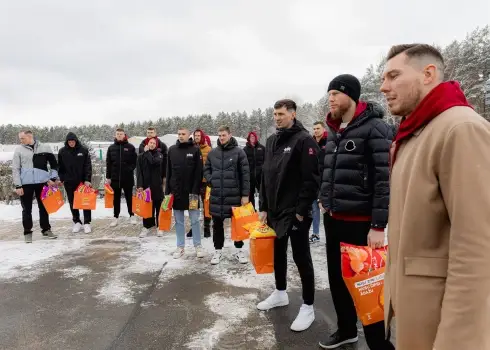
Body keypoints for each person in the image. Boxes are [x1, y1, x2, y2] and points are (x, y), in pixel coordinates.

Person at [381, 44, 490, 350]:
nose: (383, 86)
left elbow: (478, 250)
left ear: (428, 74)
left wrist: (459, 340)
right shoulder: (418, 132)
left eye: (393, 75)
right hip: (416, 311)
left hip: (442, 324)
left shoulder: (461, 129)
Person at [318, 74, 394, 350]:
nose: (331, 100)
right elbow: (329, 172)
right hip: (334, 218)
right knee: (338, 281)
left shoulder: (375, 129)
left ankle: (379, 344)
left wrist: (378, 224)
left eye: (336, 94)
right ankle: (347, 330)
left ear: (351, 95)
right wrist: (324, 198)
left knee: (367, 287)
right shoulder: (335, 131)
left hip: (361, 224)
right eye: (329, 95)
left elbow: (384, 180)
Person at [257, 99, 320, 332]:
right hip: (274, 210)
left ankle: (308, 306)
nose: (277, 118)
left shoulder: (304, 140)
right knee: (278, 253)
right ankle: (280, 292)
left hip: (295, 212)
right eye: (274, 114)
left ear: (293, 114)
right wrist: (263, 206)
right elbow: (265, 176)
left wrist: (302, 211)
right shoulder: (272, 140)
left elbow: (312, 179)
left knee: (301, 257)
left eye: (281, 114)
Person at [204, 126, 250, 265]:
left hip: (235, 196)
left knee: (237, 225)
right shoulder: (213, 153)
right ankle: (218, 251)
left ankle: (239, 250)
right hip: (217, 195)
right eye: (219, 135)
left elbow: (245, 175)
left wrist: (245, 194)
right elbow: (206, 169)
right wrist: (211, 180)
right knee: (217, 225)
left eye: (224, 135)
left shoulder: (239, 153)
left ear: (230, 135)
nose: (221, 137)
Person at [12, 130, 59, 242]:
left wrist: (52, 178)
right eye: (20, 138)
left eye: (22, 138)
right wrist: (18, 185)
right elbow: (15, 168)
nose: (21, 140)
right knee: (26, 209)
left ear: (30, 136)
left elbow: (54, 165)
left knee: (43, 207)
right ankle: (27, 232)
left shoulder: (45, 147)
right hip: (26, 184)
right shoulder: (19, 150)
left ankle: (46, 229)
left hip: (42, 182)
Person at [166, 127, 204, 258]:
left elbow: (199, 173)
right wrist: (168, 192)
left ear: (189, 136)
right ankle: (180, 247)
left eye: (183, 134)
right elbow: (168, 172)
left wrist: (196, 191)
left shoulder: (195, 150)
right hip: (176, 193)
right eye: (179, 134)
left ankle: (198, 246)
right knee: (179, 222)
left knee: (194, 220)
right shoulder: (172, 150)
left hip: (192, 193)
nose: (181, 136)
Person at [58, 132, 93, 234]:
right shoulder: (62, 151)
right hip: (69, 182)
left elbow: (88, 166)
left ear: (76, 141)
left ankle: (87, 222)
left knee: (85, 202)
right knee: (73, 202)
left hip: (82, 182)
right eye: (69, 141)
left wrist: (87, 179)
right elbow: (60, 167)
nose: (71, 143)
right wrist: (62, 178)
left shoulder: (83, 150)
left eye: (73, 141)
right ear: (67, 142)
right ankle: (77, 221)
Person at [106, 128, 138, 227]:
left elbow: (134, 162)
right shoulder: (111, 148)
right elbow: (109, 163)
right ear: (115, 135)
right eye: (118, 134)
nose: (119, 135)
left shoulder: (130, 147)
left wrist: (129, 169)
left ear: (124, 135)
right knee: (116, 199)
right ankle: (115, 217)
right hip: (115, 178)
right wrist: (108, 177)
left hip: (127, 177)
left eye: (121, 134)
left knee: (129, 198)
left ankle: (132, 215)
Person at [136, 137, 166, 237]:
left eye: (154, 143)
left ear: (156, 145)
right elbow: (139, 172)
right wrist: (139, 185)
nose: (152, 144)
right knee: (147, 207)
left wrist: (147, 152)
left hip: (157, 186)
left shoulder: (160, 155)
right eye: (150, 142)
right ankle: (146, 226)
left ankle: (159, 226)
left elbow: (153, 162)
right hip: (146, 186)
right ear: (147, 144)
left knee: (158, 206)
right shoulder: (140, 156)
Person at [186, 128, 212, 238]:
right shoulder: (190, 148)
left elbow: (211, 166)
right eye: (195, 135)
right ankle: (194, 227)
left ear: (202, 137)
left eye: (198, 135)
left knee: (206, 205)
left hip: (205, 182)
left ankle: (206, 228)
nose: (197, 137)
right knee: (193, 205)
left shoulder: (209, 149)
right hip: (193, 182)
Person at [309, 121, 327, 244]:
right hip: (313, 180)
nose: (316, 131)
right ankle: (315, 234)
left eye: (318, 128)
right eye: (314, 128)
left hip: (326, 180)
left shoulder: (329, 141)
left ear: (323, 129)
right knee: (314, 209)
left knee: (326, 209)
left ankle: (330, 235)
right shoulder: (310, 143)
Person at [243, 131, 265, 209]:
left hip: (260, 176)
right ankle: (252, 212)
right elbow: (243, 163)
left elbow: (266, 160)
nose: (252, 137)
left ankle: (263, 209)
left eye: (254, 136)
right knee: (250, 194)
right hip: (250, 176)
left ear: (256, 138)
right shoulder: (245, 149)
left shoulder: (262, 148)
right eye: (251, 136)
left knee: (262, 194)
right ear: (249, 138)